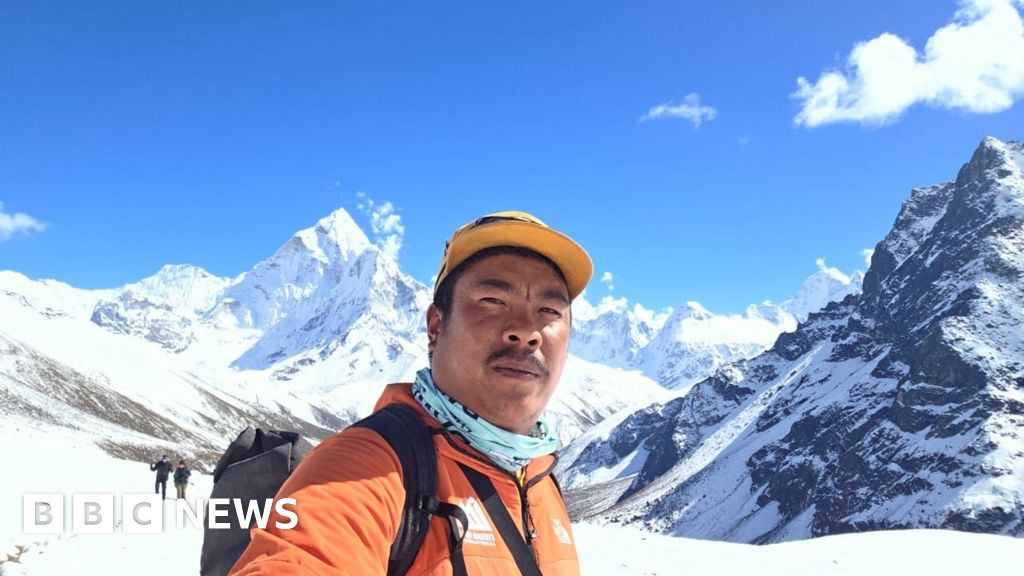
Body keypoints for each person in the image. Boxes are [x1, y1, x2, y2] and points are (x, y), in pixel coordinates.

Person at [231, 211, 592, 576]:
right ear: (435, 327)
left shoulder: (540, 478)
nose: (527, 330)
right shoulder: (365, 467)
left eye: (549, 310)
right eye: (493, 300)